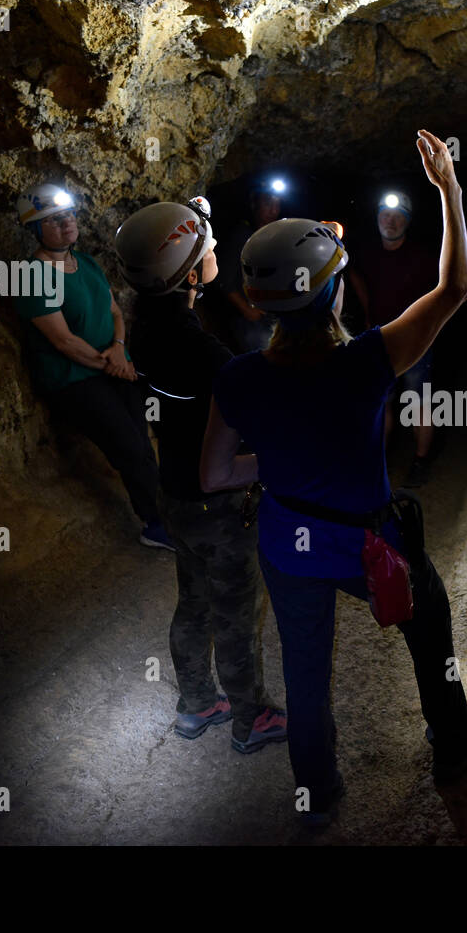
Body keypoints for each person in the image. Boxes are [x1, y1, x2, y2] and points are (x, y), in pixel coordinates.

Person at [200, 130, 467, 826]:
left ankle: (317, 791)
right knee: (429, 628)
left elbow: (213, 474)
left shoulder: (238, 378)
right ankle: (453, 747)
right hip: (367, 541)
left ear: (259, 302)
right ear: (332, 297)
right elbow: (457, 288)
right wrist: (450, 189)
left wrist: (285, 459)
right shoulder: (367, 362)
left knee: (304, 669)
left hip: (287, 535)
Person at [117, 197, 287, 753]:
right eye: (210, 248)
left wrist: (192, 216)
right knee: (236, 615)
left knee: (192, 601)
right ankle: (250, 719)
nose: (218, 250)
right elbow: (259, 405)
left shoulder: (144, 324)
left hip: (176, 491)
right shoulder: (204, 351)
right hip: (219, 505)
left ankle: (196, 704)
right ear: (191, 274)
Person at [11, 182, 171, 550]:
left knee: (144, 444)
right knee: (129, 447)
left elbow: (115, 312)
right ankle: (156, 524)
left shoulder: (86, 263)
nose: (66, 224)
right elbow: (63, 340)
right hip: (75, 378)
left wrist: (118, 348)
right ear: (35, 229)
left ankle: (167, 512)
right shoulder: (32, 275)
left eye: (68, 216)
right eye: (53, 221)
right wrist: (110, 363)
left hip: (113, 364)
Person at [347, 191, 439, 487]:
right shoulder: (368, 253)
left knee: (419, 403)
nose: (391, 220)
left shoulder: (421, 257)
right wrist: (366, 309)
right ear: (377, 218)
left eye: (398, 216)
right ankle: (378, 462)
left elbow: (439, 294)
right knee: (381, 402)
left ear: (407, 221)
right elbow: (354, 275)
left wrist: (424, 328)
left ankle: (421, 461)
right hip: (379, 339)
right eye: (385, 215)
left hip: (415, 342)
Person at [205, 180, 284, 354]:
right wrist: (247, 310)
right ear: (255, 204)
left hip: (271, 315)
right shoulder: (242, 236)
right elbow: (224, 278)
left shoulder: (277, 235)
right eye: (267, 202)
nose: (273, 209)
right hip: (249, 319)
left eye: (277, 203)